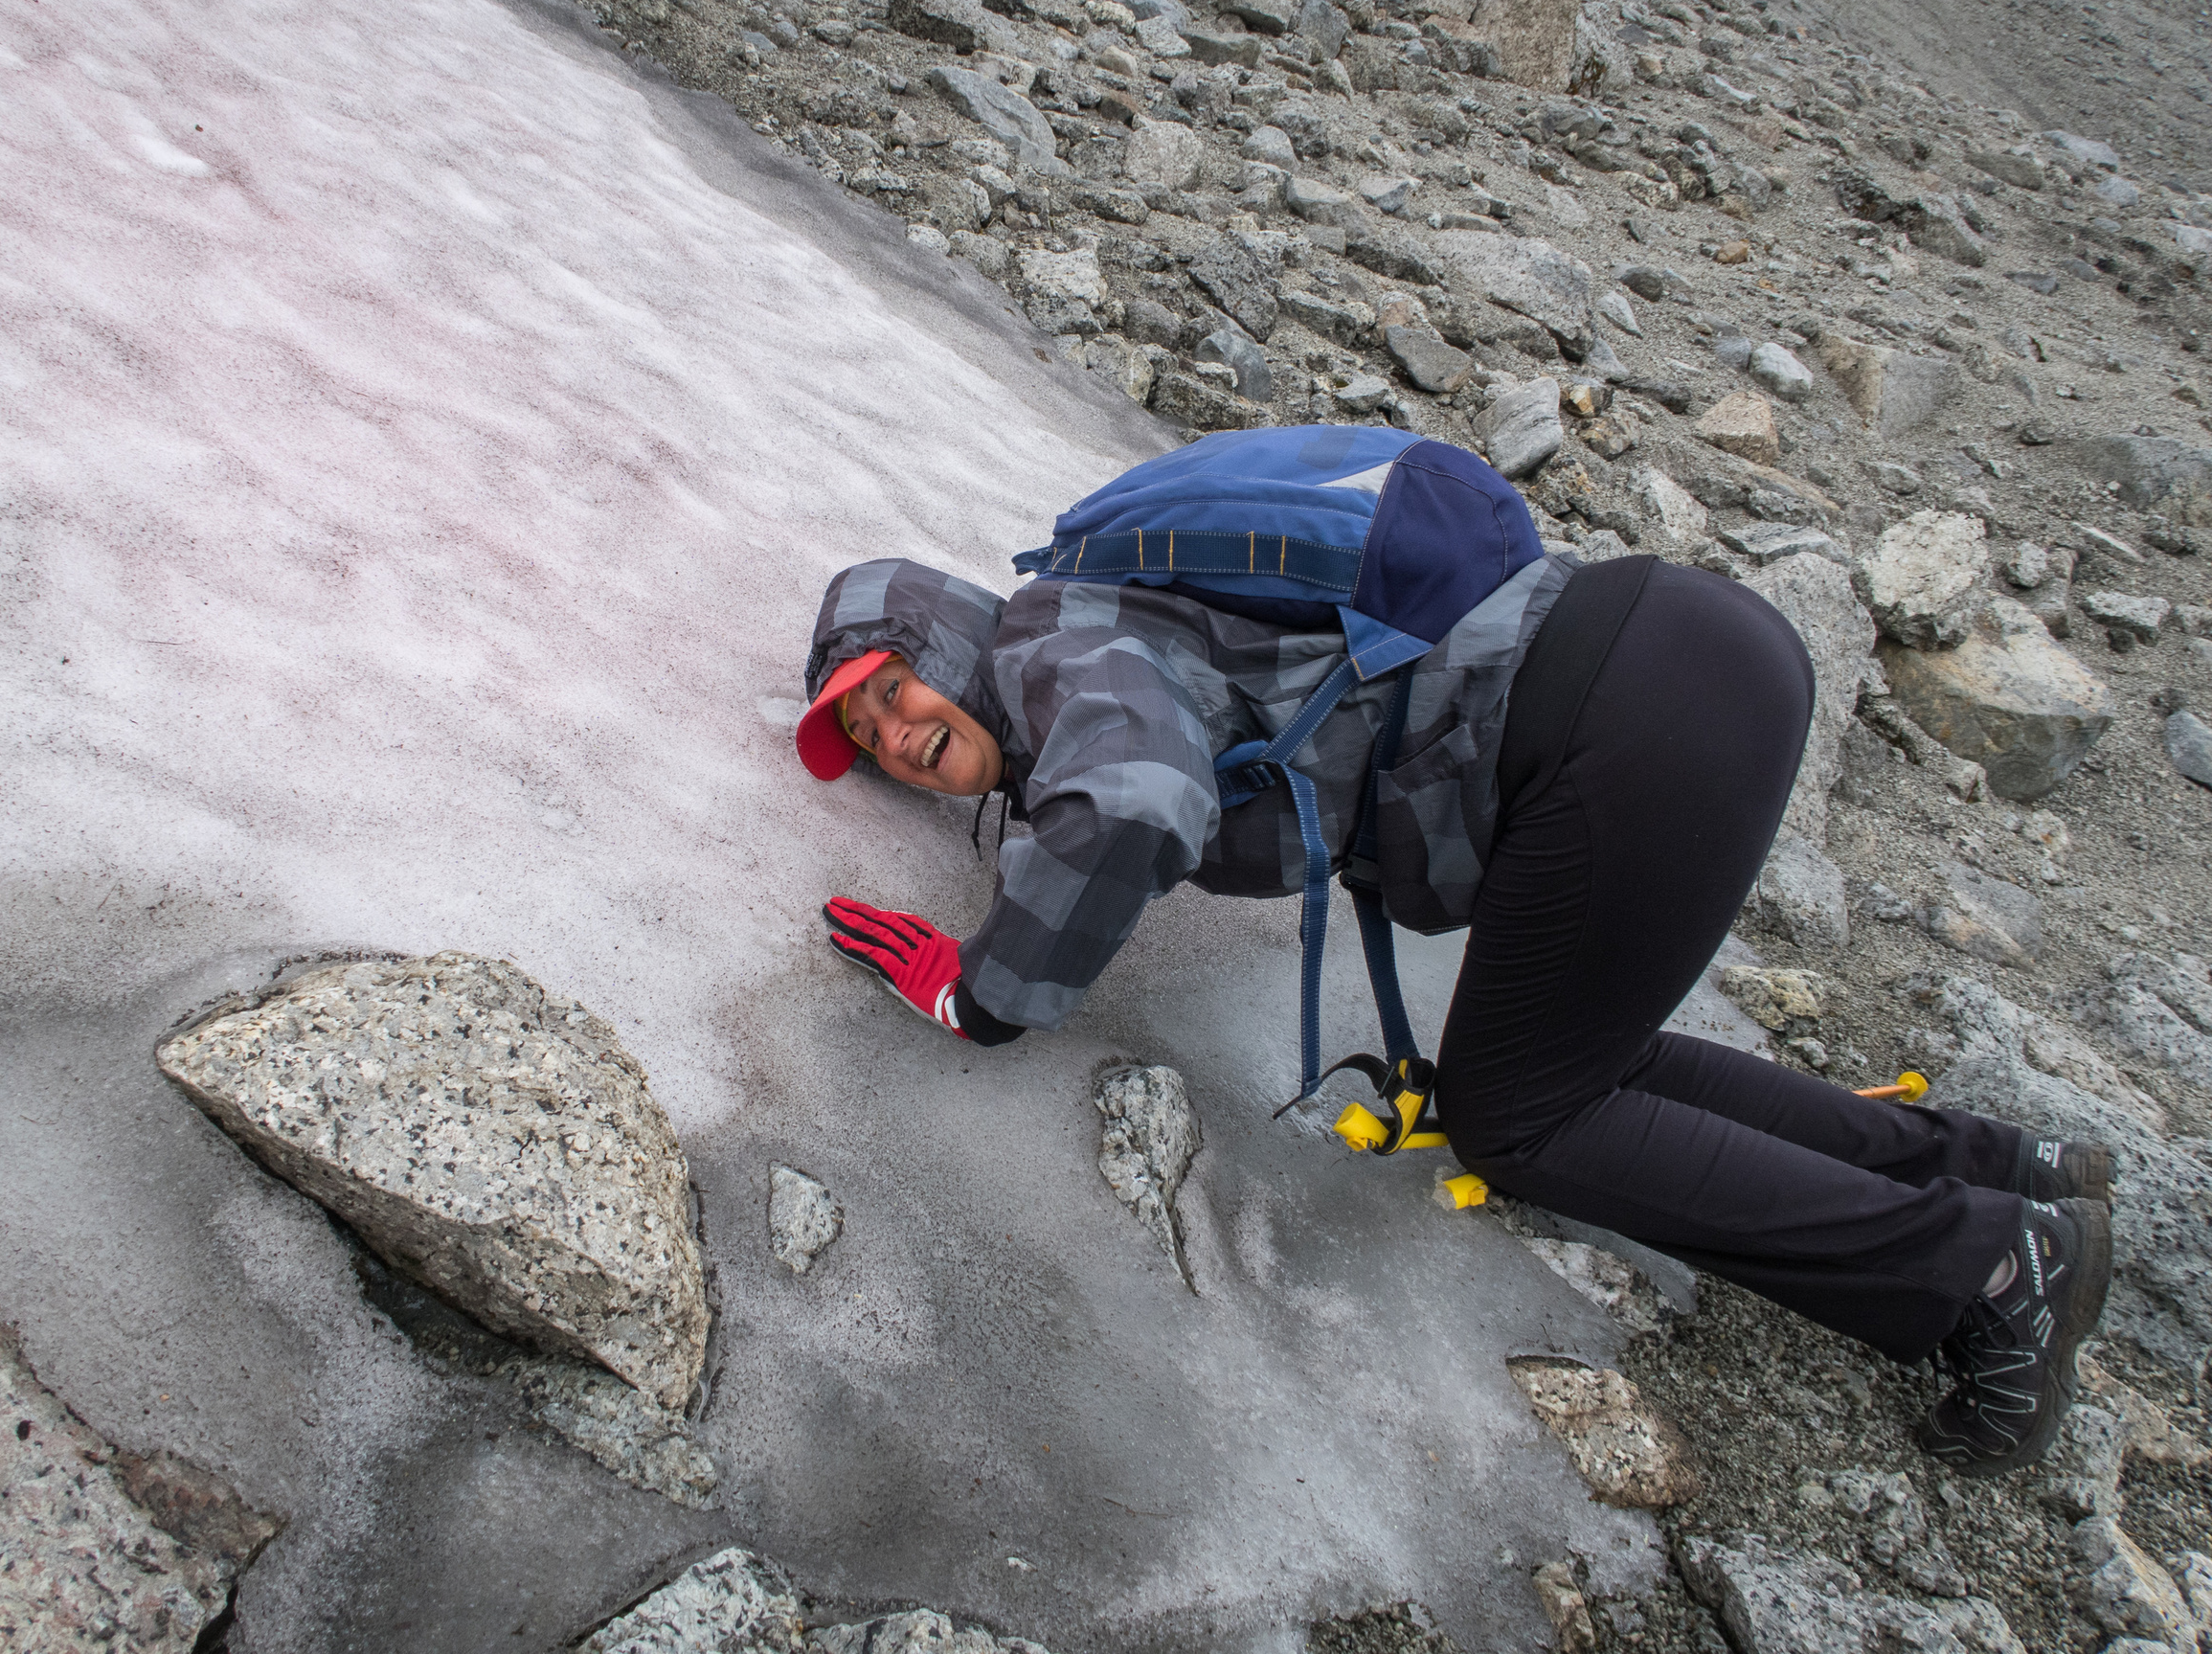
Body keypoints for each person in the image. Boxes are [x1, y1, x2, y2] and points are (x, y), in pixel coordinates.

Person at [798, 548, 2115, 1476]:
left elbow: (1137, 798)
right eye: (860, 734)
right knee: (1576, 1051)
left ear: (951, 640)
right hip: (1673, 653)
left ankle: (1991, 1268)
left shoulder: (1052, 652)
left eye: (892, 686)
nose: (892, 734)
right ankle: (2002, 1163)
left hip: (1629, 723)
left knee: (1518, 1117)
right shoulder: (1083, 625)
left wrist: (984, 994)